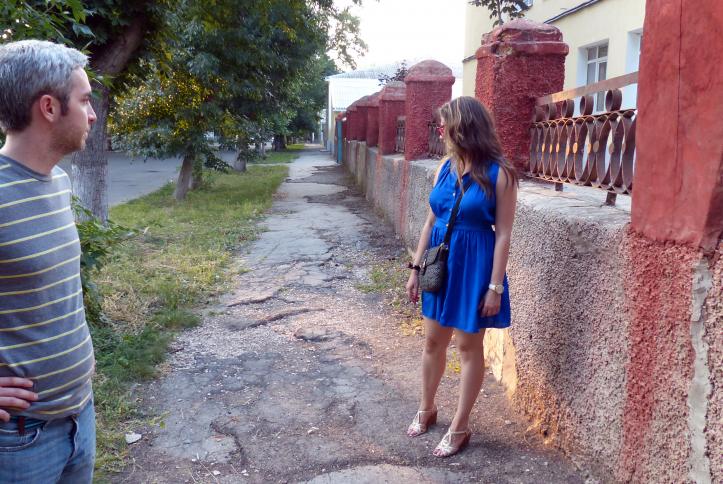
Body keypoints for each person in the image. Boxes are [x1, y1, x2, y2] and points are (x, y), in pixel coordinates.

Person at [0, 40, 98, 482]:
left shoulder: (57, 182)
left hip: (80, 416)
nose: (92, 114)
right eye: (84, 100)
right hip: (19, 441)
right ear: (49, 107)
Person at [405, 96, 517, 458]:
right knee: (432, 343)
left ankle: (460, 425)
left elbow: (502, 234)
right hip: (440, 264)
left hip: (475, 268)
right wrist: (415, 268)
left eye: (445, 125)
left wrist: (495, 287)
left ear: (463, 128)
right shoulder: (443, 167)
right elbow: (430, 221)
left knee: (469, 348)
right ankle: (427, 407)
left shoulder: (501, 174)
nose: (440, 131)